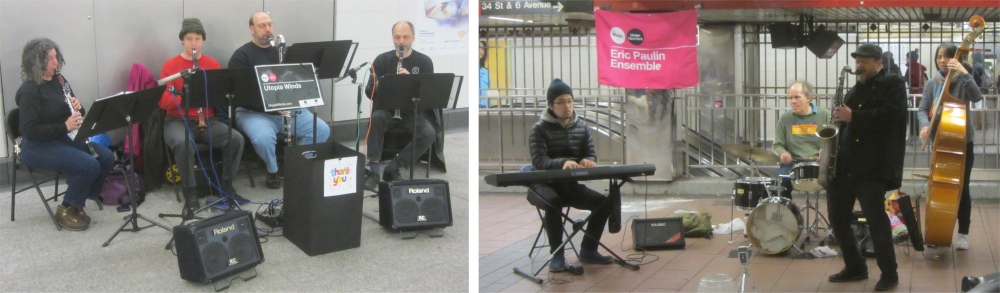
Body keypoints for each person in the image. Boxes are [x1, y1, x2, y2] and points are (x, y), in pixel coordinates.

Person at [826, 44, 906, 291]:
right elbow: (842, 122)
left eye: (864, 61)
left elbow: (892, 116)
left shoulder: (893, 84)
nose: (859, 66)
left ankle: (889, 274)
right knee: (837, 219)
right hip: (844, 163)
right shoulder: (853, 90)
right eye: (857, 61)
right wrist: (828, 146)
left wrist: (854, 117)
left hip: (872, 166)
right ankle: (855, 266)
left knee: (876, 220)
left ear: (878, 62)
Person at [15, 38, 115, 231]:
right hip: (37, 146)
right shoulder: (29, 91)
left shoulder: (59, 80)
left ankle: (79, 198)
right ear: (36, 63)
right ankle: (67, 208)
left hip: (62, 138)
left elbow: (75, 113)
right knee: (88, 165)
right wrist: (65, 126)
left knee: (106, 157)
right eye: (49, 59)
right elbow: (29, 130)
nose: (56, 62)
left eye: (56, 57)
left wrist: (79, 108)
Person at [229, 11, 331, 189]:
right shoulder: (241, 56)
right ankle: (273, 170)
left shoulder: (283, 53)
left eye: (270, 24)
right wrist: (269, 107)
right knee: (263, 138)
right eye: (262, 26)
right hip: (253, 112)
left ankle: (296, 165)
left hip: (286, 109)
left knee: (321, 130)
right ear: (251, 29)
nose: (267, 29)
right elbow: (239, 95)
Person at [159, 18, 246, 218]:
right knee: (183, 143)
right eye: (189, 39)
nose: (194, 43)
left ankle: (225, 187)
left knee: (236, 139)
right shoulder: (171, 66)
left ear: (202, 40)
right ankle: (190, 193)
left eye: (197, 38)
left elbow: (221, 97)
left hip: (207, 120)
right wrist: (183, 95)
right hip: (177, 121)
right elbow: (163, 102)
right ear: (182, 40)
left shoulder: (211, 64)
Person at [530, 78, 614, 273]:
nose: (567, 106)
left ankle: (588, 250)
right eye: (560, 102)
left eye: (569, 100)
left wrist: (588, 160)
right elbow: (539, 161)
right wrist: (562, 162)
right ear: (551, 105)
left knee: (603, 203)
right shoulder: (539, 129)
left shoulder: (582, 127)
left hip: (569, 186)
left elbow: (590, 152)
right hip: (543, 185)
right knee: (553, 203)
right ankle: (557, 255)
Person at [917, 43, 983, 251]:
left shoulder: (962, 80)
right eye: (939, 57)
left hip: (963, 142)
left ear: (957, 58)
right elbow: (922, 108)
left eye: (946, 57)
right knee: (937, 187)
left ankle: (963, 233)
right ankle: (939, 230)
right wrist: (925, 125)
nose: (942, 60)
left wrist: (964, 73)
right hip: (940, 142)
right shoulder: (932, 83)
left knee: (961, 189)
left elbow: (976, 97)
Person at [362, 20, 438, 191]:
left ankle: (394, 167)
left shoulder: (424, 61)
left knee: (428, 133)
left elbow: (428, 97)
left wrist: (411, 81)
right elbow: (370, 94)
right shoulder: (382, 60)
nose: (401, 41)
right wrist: (383, 84)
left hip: (412, 112)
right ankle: (373, 171)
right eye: (397, 37)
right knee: (376, 118)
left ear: (413, 37)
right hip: (387, 110)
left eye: (405, 37)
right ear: (392, 38)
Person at [772, 81, 828, 199]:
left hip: (820, 163)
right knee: (780, 183)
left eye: (797, 97)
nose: (793, 101)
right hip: (793, 164)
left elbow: (835, 139)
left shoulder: (825, 115)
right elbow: (777, 144)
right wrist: (782, 153)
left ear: (808, 98)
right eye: (790, 98)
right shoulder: (785, 119)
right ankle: (788, 214)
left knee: (839, 183)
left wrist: (826, 150)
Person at [479, 40, 490, 106]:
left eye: (483, 48)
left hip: (487, 106)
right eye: (478, 48)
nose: (481, 51)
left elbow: (487, 89)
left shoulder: (486, 71)